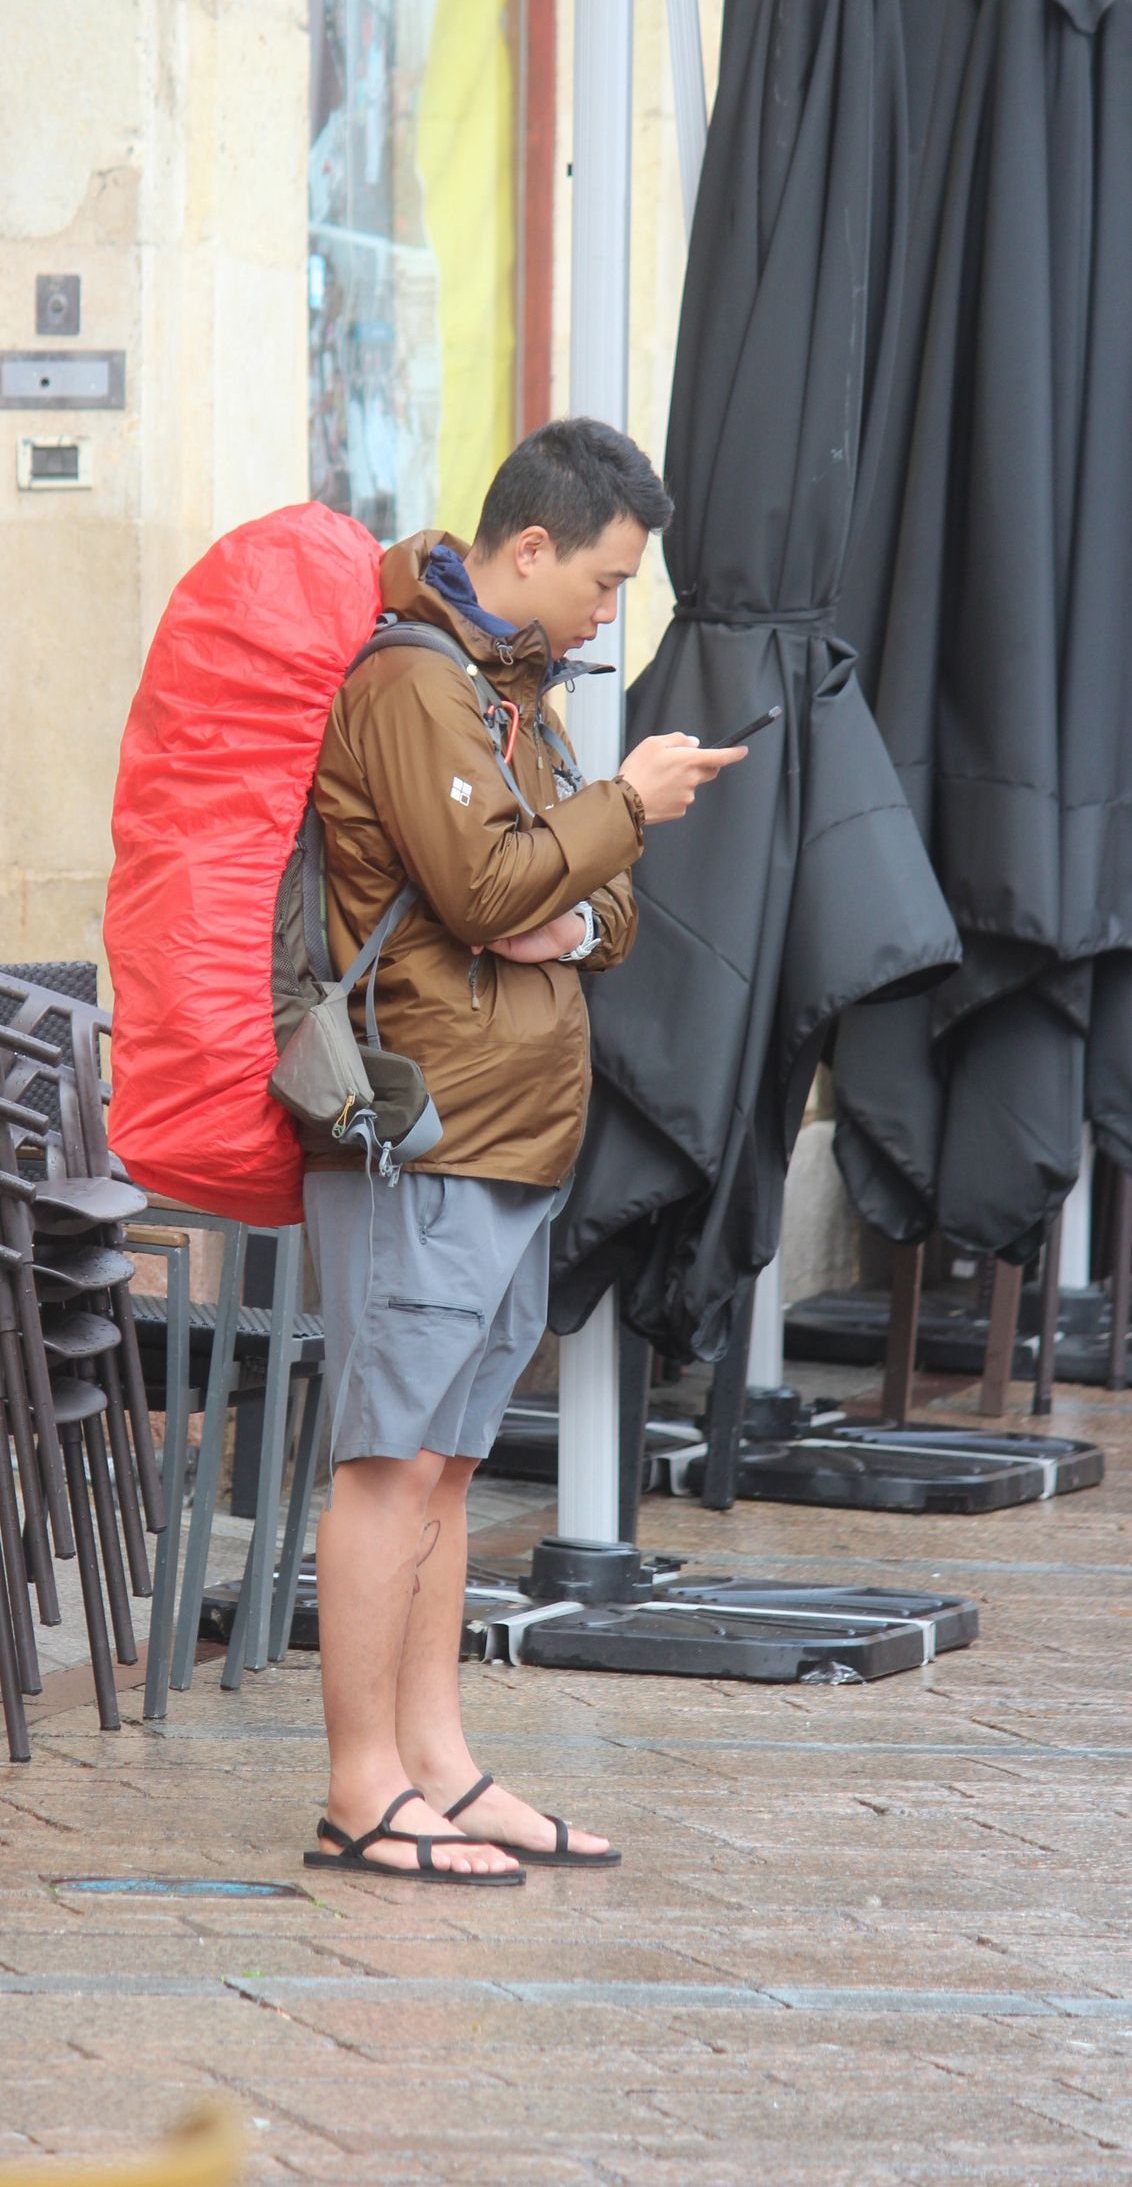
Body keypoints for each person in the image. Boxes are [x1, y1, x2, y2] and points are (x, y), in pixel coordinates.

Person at [301, 418, 746, 1885]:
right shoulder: (417, 685)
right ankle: (361, 1785)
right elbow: (499, 880)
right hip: (420, 1135)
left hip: (506, 1135)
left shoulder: (513, 692)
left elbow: (594, 916)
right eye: (608, 581)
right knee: (385, 1463)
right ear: (533, 546)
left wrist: (569, 875)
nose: (612, 611)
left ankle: (441, 1760)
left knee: (446, 1463)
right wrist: (617, 816)